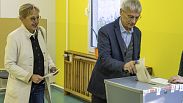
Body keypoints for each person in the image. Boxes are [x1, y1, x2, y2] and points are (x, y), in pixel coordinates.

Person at [87, 0, 142, 103]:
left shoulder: (138, 33)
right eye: (130, 17)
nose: (134, 21)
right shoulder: (105, 31)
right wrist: (124, 66)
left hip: (125, 88)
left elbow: (135, 57)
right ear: (121, 12)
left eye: (137, 17)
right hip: (103, 88)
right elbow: (104, 59)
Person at [4, 3, 58, 103]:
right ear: (22, 18)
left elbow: (45, 53)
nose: (36, 21)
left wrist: (51, 66)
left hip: (40, 86)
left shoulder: (41, 31)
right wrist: (29, 76)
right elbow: (9, 64)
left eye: (38, 17)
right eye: (32, 18)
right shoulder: (14, 37)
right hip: (22, 87)